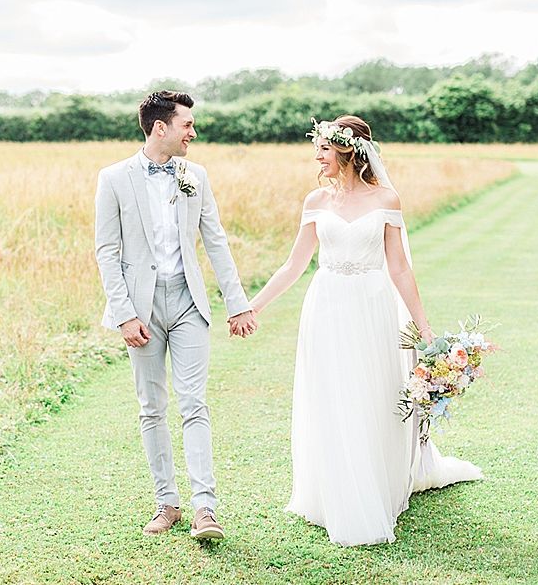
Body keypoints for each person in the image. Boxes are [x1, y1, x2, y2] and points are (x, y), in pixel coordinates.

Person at [250, 115, 482, 546]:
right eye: (316, 148)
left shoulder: (386, 200)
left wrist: (425, 329)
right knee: (332, 394)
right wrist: (252, 306)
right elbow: (294, 265)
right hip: (327, 306)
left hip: (372, 306)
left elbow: (399, 268)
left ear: (347, 150)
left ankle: (375, 484)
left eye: (323, 148)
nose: (317, 155)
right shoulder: (316, 200)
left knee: (371, 394)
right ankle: (331, 490)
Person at [94, 90, 257, 541]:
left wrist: (237, 301)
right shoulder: (113, 178)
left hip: (189, 303)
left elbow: (215, 240)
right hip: (141, 310)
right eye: (187, 124)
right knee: (152, 408)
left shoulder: (195, 175)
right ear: (160, 128)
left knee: (194, 403)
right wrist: (125, 314)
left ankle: (206, 508)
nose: (194, 132)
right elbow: (107, 252)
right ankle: (167, 503)